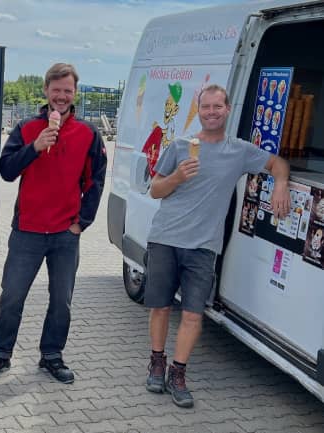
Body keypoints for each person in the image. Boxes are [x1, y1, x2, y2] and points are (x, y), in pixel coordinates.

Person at [145, 84, 290, 408]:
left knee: (194, 315)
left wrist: (280, 184)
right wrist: (177, 178)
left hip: (203, 246)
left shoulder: (239, 151)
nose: (211, 112)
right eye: (206, 107)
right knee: (161, 307)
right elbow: (154, 190)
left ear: (227, 110)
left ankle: (177, 373)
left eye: (217, 107)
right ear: (199, 110)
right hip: (166, 238)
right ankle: (156, 361)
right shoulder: (180, 146)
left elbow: (277, 163)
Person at [0, 63, 107, 384]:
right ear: (46, 91)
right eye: (57, 90)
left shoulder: (88, 133)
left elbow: (96, 182)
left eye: (68, 91)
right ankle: (0, 354)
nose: (62, 96)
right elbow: (6, 170)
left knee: (61, 300)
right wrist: (34, 148)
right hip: (27, 232)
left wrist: (81, 223)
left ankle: (52, 355)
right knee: (12, 296)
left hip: (65, 234)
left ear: (75, 94)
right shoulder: (25, 127)